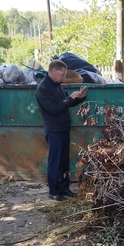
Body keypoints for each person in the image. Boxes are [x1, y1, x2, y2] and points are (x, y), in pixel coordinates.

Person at [35, 59, 87, 201]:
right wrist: (70, 97)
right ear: (53, 71)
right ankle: (53, 190)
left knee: (64, 161)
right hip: (54, 130)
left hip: (64, 128)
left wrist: (79, 98)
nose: (63, 77)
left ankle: (64, 187)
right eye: (62, 74)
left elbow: (66, 103)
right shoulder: (43, 88)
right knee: (55, 161)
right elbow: (54, 109)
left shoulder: (58, 85)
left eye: (65, 74)